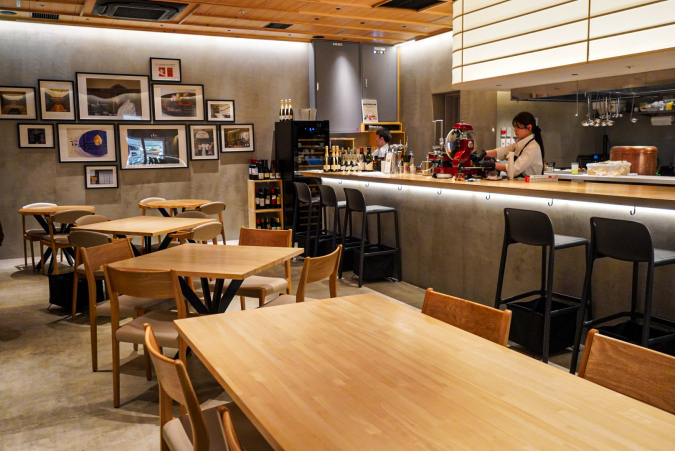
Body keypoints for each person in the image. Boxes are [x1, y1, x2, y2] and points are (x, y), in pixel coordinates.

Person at [474, 112, 544, 176]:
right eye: (515, 126)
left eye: (518, 127)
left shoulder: (532, 147)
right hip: (520, 183)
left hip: (529, 184)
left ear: (529, 127)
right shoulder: (519, 144)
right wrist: (484, 153)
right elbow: (503, 151)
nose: (515, 130)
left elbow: (515, 169)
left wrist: (493, 165)